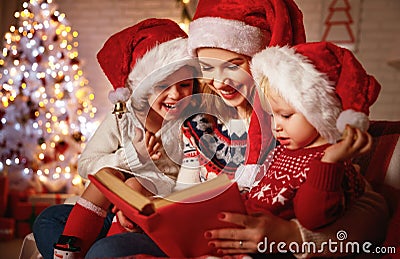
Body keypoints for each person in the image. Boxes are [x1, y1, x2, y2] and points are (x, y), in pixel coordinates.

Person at [181, 0, 389, 257]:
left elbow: (374, 213)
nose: (219, 82)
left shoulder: (299, 127)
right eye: (208, 67)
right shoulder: (200, 124)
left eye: (234, 65)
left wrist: (290, 235)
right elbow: (182, 192)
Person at [34, 18, 199, 259]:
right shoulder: (124, 118)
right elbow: (86, 165)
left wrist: (141, 201)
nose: (176, 94)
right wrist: (133, 156)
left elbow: (190, 185)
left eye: (184, 84)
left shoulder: (192, 123)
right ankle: (76, 250)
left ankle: (102, 246)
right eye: (164, 85)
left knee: (134, 186)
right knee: (48, 220)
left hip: (156, 211)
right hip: (111, 208)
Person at [244, 41, 380, 230]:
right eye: (272, 115)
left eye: (285, 115)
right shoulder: (284, 151)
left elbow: (312, 218)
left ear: (318, 111)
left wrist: (330, 163)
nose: (275, 126)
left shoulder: (332, 165)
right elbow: (257, 199)